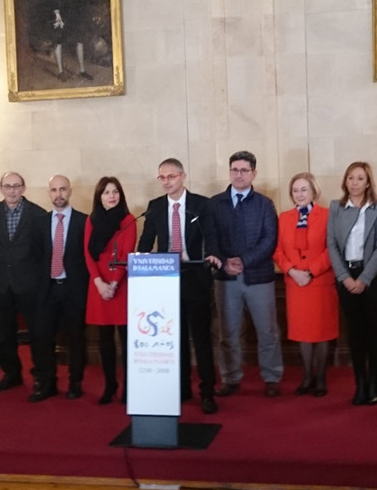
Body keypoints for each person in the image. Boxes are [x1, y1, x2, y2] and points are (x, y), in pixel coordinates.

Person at [137, 158, 223, 414]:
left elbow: (212, 235)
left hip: (195, 275)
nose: (166, 182)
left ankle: (207, 390)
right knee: (175, 338)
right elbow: (146, 242)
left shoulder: (200, 205)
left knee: (201, 337)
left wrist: (215, 255)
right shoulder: (154, 207)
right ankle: (182, 388)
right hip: (166, 278)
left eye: (171, 177)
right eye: (162, 177)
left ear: (183, 176)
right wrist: (137, 261)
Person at [211, 151, 283, 398]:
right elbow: (209, 240)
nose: (238, 175)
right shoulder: (215, 203)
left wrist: (243, 261)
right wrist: (223, 263)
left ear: (254, 173)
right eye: (234, 170)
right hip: (225, 279)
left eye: (243, 170)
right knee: (227, 333)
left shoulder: (265, 204)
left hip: (258, 277)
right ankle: (230, 378)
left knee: (268, 331)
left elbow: (269, 239)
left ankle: (271, 377)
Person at [327, 162, 377, 405]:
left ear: (368, 182)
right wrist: (345, 278)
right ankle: (360, 383)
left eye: (360, 178)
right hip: (346, 274)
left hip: (373, 276)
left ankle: (374, 382)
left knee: (373, 332)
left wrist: (364, 279)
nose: (354, 182)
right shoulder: (337, 207)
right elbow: (331, 244)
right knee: (355, 333)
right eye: (350, 178)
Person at [275, 173, 339, 397]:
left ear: (314, 191)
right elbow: (278, 251)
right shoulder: (284, 217)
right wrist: (292, 271)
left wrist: (311, 272)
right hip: (295, 284)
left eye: (304, 189)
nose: (299, 194)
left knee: (321, 332)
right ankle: (307, 376)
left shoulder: (328, 215)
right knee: (302, 332)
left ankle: (320, 377)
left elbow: (332, 249)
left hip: (320, 282)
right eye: (295, 190)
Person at [0, 172, 48, 393]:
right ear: (0, 188)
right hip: (2, 282)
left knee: (36, 332)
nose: (12, 190)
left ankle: (40, 375)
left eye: (16, 186)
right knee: (5, 332)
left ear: (23, 188)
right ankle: (12, 373)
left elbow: (42, 252)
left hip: (29, 283)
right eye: (7, 186)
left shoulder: (38, 214)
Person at [29, 175, 90, 402]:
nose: (58, 195)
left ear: (70, 191)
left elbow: (87, 257)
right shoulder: (40, 222)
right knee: (43, 337)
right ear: (49, 193)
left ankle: (75, 382)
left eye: (62, 189)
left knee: (76, 337)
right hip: (48, 289)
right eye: (54, 190)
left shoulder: (84, 222)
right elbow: (36, 256)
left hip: (74, 289)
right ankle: (47, 383)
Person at [84, 176, 136, 404]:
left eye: (115, 191)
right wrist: (99, 282)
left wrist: (113, 283)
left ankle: (128, 387)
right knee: (104, 340)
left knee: (125, 340)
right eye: (106, 192)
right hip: (98, 285)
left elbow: (126, 254)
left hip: (121, 284)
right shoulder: (91, 220)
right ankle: (109, 385)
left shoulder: (128, 220)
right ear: (99, 197)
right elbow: (87, 253)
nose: (111, 196)